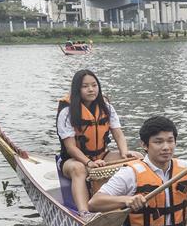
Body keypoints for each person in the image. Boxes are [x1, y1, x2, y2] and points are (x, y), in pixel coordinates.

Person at [56, 69, 140, 217]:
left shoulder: (106, 107)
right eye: (85, 86)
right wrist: (88, 163)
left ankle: (137, 200)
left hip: (101, 155)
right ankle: (84, 213)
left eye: (94, 85)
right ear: (77, 89)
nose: (91, 89)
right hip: (72, 160)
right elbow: (70, 147)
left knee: (137, 159)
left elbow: (118, 134)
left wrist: (124, 152)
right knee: (78, 169)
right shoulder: (67, 112)